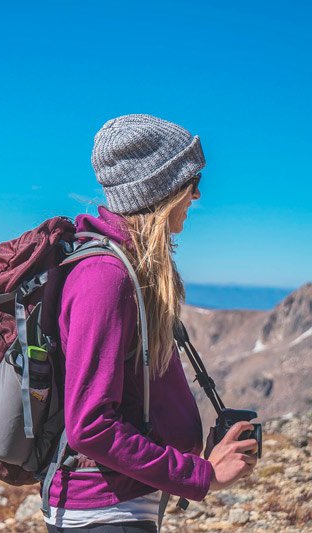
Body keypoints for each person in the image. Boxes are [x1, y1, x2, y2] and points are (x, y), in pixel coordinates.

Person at [45, 114, 259, 532]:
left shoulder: (130, 272)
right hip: (103, 512)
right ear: (162, 191)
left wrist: (193, 455)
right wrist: (202, 475)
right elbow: (90, 426)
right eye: (190, 183)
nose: (196, 196)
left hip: (121, 505)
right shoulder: (106, 278)